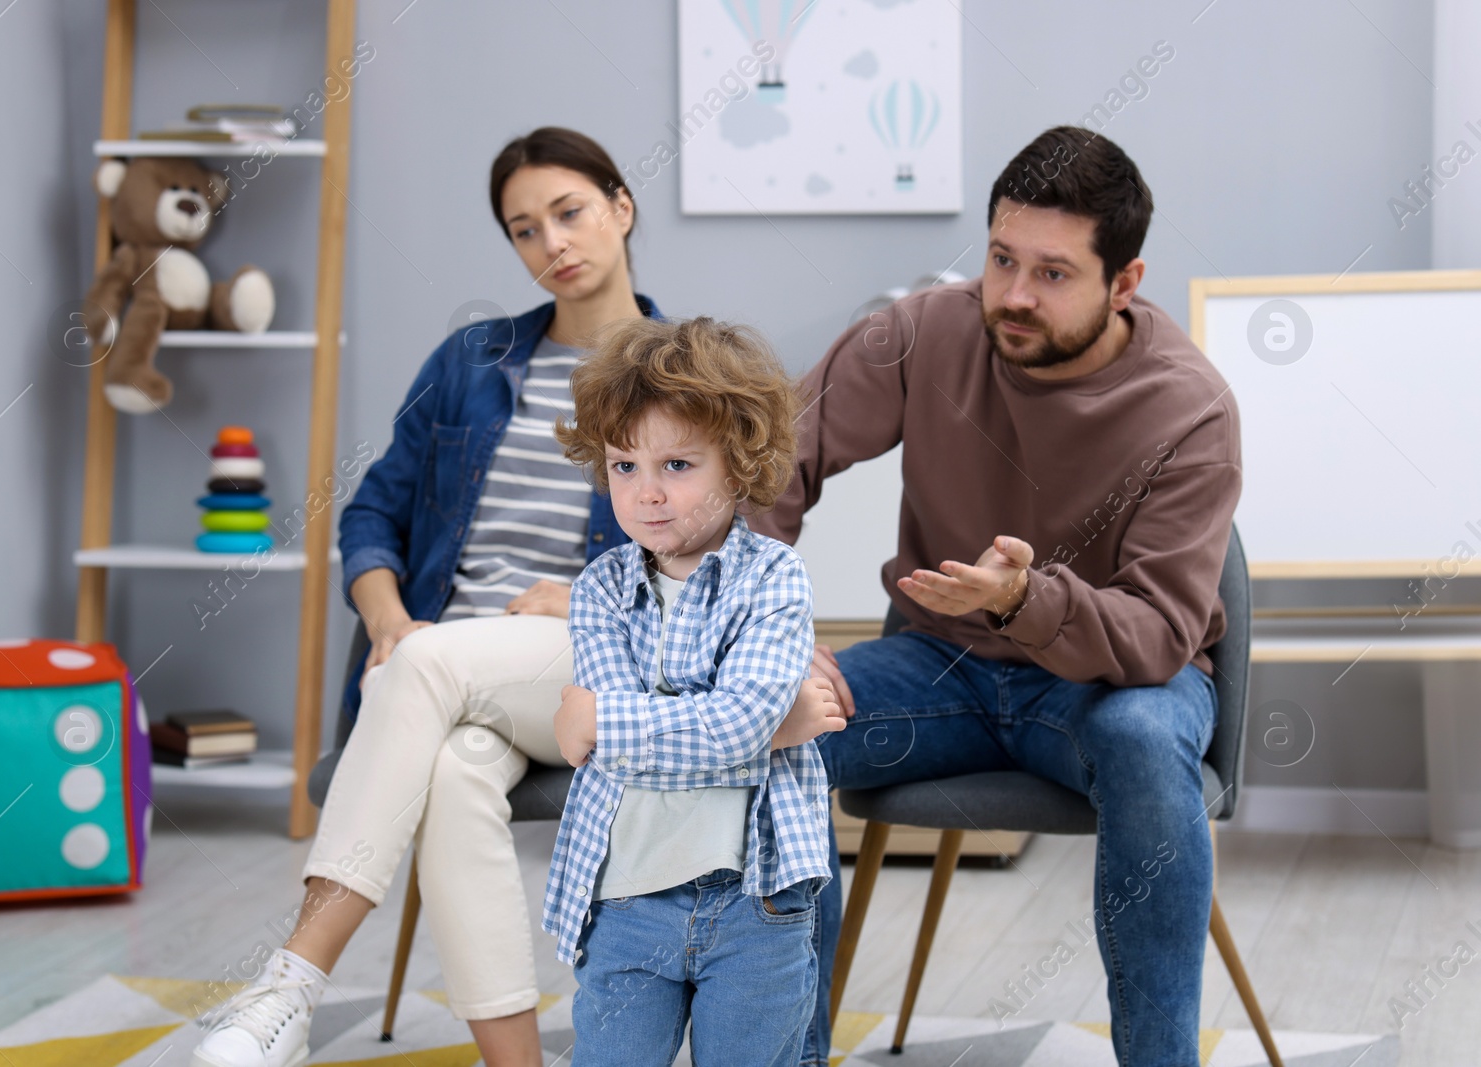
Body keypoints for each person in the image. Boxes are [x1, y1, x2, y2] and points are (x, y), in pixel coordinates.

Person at [749, 125, 1242, 1067]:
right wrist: (771, 632)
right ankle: (785, 1055)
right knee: (778, 723)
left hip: (1108, 689)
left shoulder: (1191, 408)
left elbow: (1160, 634)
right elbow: (773, 462)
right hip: (941, 667)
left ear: (1124, 284)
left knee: (1144, 739)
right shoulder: (927, 330)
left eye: (1053, 274)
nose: (1013, 296)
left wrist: (1027, 601)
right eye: (1002, 258)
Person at [190, 126, 660, 1067]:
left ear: (621, 207)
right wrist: (385, 615)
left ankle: (291, 983)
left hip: (589, 662)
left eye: (569, 213)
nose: (552, 243)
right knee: (449, 773)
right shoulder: (470, 362)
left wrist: (585, 599)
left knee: (427, 662)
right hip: (446, 665)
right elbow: (371, 514)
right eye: (524, 230)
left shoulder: (678, 371)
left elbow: (719, 550)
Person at [542, 317, 846, 1067]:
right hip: (628, 901)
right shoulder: (600, 591)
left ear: (739, 465)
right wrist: (771, 727)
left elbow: (624, 732)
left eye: (677, 464)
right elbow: (700, 736)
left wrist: (605, 718)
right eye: (623, 466)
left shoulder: (774, 577)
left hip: (758, 904)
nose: (646, 494)